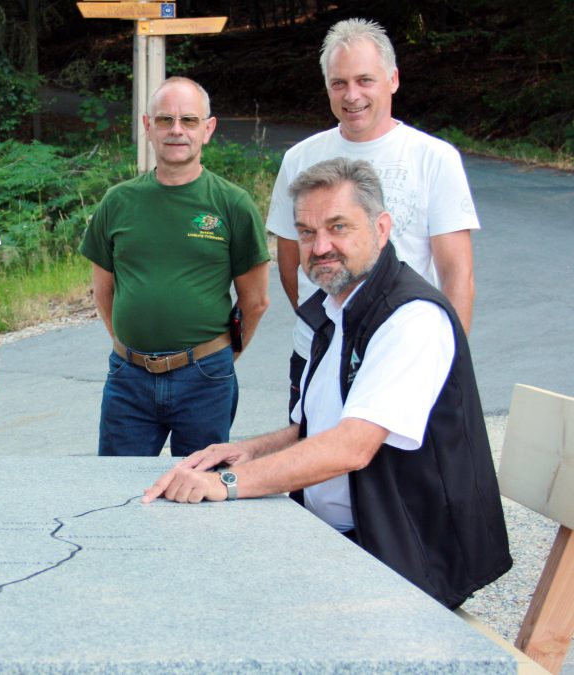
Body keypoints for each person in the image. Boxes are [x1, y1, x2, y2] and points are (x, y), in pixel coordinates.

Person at [144, 158, 511, 609]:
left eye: (338, 227)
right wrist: (248, 451)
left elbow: (351, 446)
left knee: (215, 599)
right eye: (306, 232)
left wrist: (229, 484)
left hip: (402, 556)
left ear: (381, 228)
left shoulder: (411, 318)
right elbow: (315, 428)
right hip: (339, 539)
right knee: (188, 572)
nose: (320, 247)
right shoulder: (336, 309)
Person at [266, 18, 480, 412]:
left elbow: (457, 276)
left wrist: (447, 362)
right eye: (339, 83)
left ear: (393, 79)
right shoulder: (299, 159)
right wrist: (322, 321)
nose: (352, 96)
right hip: (316, 350)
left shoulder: (433, 158)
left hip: (403, 354)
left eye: (365, 80)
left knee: (400, 471)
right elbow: (290, 262)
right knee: (313, 461)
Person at [80, 76, 270, 457]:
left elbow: (255, 301)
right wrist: (125, 341)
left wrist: (219, 357)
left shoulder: (232, 205)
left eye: (189, 121)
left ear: (208, 129)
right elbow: (103, 290)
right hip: (128, 379)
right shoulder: (117, 202)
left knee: (199, 499)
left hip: (205, 379)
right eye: (165, 120)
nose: (176, 130)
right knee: (118, 495)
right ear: (148, 126)